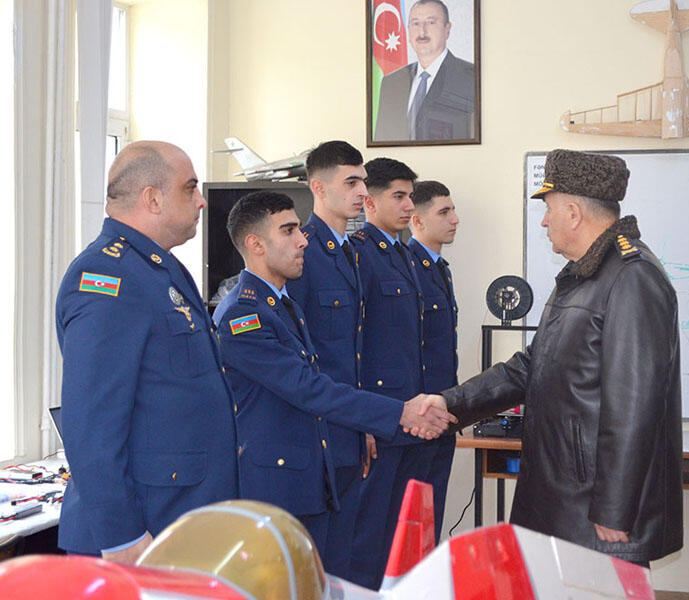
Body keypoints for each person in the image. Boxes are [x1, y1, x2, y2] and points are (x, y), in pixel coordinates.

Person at [419, 149, 683, 566]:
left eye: (549, 209)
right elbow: (532, 366)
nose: (544, 222)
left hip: (593, 512)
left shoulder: (631, 278)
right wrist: (451, 403)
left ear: (573, 213)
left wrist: (615, 508)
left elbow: (634, 407)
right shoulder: (585, 274)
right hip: (563, 496)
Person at [213, 191, 455, 564]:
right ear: (255, 244)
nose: (302, 240)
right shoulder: (243, 316)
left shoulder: (281, 304)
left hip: (311, 480)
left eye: (299, 229)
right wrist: (400, 412)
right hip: (276, 489)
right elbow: (308, 389)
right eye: (289, 231)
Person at [55, 141, 238, 563]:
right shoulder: (107, 276)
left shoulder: (158, 268)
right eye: (190, 188)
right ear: (152, 199)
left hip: (180, 520)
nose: (202, 201)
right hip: (141, 534)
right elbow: (91, 424)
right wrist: (122, 538)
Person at [284, 140, 372, 579]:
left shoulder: (349, 250)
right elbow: (300, 356)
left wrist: (364, 426)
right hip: (317, 436)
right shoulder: (303, 252)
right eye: (351, 182)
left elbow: (353, 350)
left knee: (345, 560)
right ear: (318, 187)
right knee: (316, 566)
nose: (363, 192)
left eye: (364, 182)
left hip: (349, 431)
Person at [348, 158, 436, 589]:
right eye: (398, 197)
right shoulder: (358, 254)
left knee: (402, 540)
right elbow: (352, 345)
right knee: (370, 539)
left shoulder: (403, 254)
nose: (408, 206)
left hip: (410, 417)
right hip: (381, 419)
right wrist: (364, 420)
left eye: (410, 196)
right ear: (370, 201)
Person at [407, 180, 459, 543]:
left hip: (442, 408)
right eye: (444, 212)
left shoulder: (440, 267)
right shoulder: (409, 268)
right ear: (418, 221)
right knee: (413, 518)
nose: (455, 219)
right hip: (422, 413)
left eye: (453, 210)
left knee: (432, 513)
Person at [374, 0, 475, 142]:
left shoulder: (470, 77)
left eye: (431, 22)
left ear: (447, 29)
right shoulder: (391, 82)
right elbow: (383, 139)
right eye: (415, 23)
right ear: (408, 29)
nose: (422, 32)